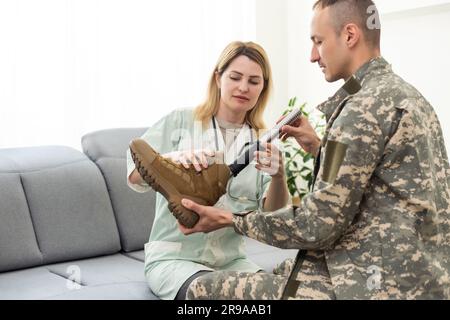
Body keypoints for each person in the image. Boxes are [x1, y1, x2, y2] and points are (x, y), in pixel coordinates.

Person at [179, 0, 450, 300]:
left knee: (201, 290)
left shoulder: (360, 109)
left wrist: (228, 219)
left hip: (373, 284)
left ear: (349, 35)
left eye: (318, 42)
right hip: (423, 278)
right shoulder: (409, 96)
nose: (312, 56)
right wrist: (319, 149)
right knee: (287, 268)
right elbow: (374, 181)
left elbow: (316, 225)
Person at [126, 41, 290, 300]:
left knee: (283, 294)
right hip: (175, 259)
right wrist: (175, 160)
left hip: (231, 260)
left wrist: (280, 176)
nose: (243, 87)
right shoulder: (181, 121)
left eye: (254, 81)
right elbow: (135, 176)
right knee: (211, 292)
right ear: (218, 77)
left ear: (263, 88)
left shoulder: (262, 141)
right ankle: (174, 175)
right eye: (235, 77)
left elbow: (273, 213)